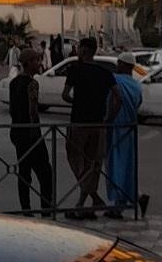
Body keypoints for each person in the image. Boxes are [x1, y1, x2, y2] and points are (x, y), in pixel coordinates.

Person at [61, 35, 115, 217]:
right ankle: (87, 203)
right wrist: (109, 118)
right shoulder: (105, 73)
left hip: (79, 122)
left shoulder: (75, 70)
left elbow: (65, 95)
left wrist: (78, 102)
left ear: (83, 51)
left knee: (75, 159)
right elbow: (118, 96)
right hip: (98, 123)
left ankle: (88, 201)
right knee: (93, 164)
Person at [8, 47, 54, 216]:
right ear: (28, 63)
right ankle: (46, 209)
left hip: (17, 131)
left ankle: (26, 209)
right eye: (36, 60)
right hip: (30, 133)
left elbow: (12, 109)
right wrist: (34, 128)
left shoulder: (14, 83)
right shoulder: (32, 84)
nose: (39, 63)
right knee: (45, 172)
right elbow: (32, 110)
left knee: (24, 171)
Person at [105, 58, 142, 218]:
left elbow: (111, 101)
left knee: (116, 165)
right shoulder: (136, 85)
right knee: (127, 166)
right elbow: (138, 104)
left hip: (116, 128)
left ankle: (119, 204)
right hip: (129, 128)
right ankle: (130, 200)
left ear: (123, 65)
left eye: (119, 63)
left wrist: (108, 120)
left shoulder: (115, 80)